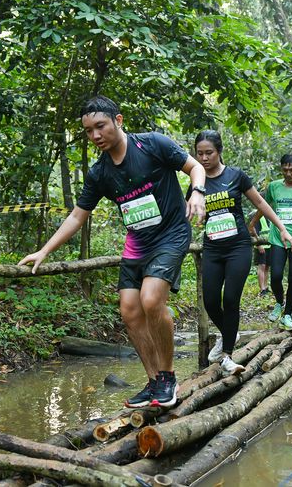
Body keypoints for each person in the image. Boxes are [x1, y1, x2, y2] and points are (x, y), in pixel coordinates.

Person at [19, 96, 206, 408]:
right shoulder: (100, 173)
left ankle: (168, 377)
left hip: (171, 235)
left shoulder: (152, 144)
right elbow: (77, 216)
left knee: (151, 300)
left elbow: (195, 166)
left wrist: (197, 192)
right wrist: (44, 250)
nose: (95, 135)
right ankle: (153, 381)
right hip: (138, 243)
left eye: (101, 126)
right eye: (88, 131)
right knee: (130, 310)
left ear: (118, 120)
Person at [190, 131, 292, 375]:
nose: (204, 158)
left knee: (230, 299)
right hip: (213, 248)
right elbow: (190, 210)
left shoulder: (236, 176)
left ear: (219, 151)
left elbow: (260, 203)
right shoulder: (197, 182)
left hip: (238, 247)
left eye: (209, 153)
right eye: (200, 153)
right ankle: (230, 332)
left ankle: (227, 356)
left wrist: (282, 229)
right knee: (210, 301)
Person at [253, 153, 292, 330]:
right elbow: (264, 207)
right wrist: (252, 223)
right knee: (276, 276)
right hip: (277, 239)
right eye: (285, 170)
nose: (288, 173)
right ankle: (279, 302)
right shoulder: (274, 187)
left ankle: (287, 314)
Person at [253, 217, 271, 296]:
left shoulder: (268, 217)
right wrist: (258, 245)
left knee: (267, 267)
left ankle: (266, 287)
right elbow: (253, 232)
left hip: (269, 245)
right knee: (262, 267)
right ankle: (262, 289)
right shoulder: (257, 216)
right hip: (261, 246)